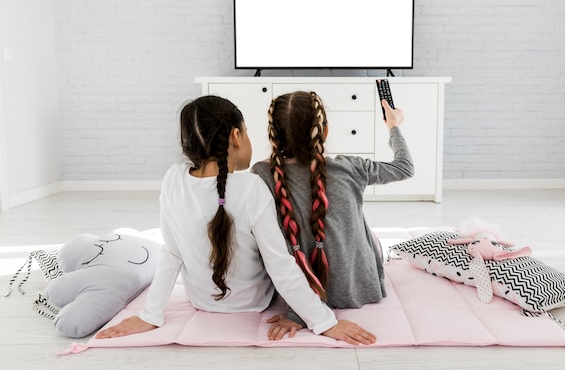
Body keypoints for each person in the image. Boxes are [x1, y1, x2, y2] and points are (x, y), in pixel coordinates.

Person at [96, 95, 375, 345]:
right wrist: (325, 322)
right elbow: (280, 265)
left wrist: (150, 314)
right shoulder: (252, 188)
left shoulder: (173, 178)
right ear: (236, 136)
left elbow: (171, 252)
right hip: (255, 302)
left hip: (201, 301)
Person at [250, 91, 414, 339]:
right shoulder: (350, 166)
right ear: (324, 132)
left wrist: (300, 312)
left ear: (273, 137)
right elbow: (404, 167)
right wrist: (394, 125)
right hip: (360, 283)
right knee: (370, 237)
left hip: (304, 290)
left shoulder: (262, 173)